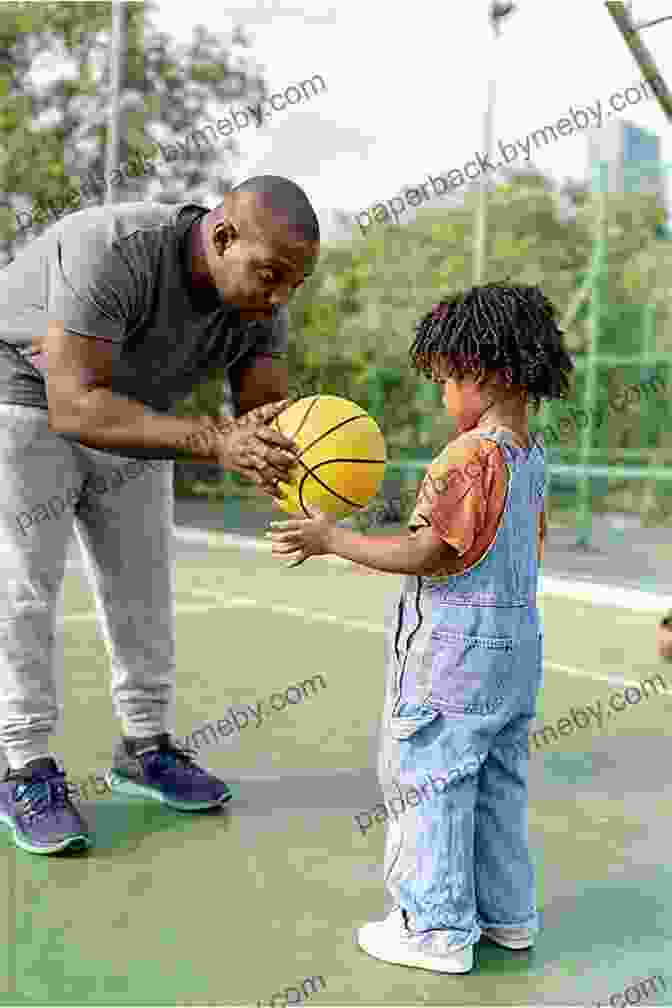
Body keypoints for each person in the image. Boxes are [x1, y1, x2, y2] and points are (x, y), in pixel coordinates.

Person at [0, 175, 319, 855]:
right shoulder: (112, 249)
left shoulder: (263, 298)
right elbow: (74, 404)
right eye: (271, 275)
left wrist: (294, 455)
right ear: (222, 237)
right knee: (25, 589)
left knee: (144, 590)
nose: (281, 295)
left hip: (136, 413)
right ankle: (21, 765)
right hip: (26, 395)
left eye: (293, 282)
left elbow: (263, 410)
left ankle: (145, 747)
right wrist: (213, 439)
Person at [268, 282, 574, 974]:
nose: (442, 397)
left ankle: (431, 928)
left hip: (454, 654)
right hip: (517, 649)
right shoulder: (531, 456)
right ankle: (507, 917)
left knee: (428, 778)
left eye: (444, 380)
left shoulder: (467, 456)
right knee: (498, 785)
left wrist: (332, 538)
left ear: (486, 372)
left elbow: (429, 554)